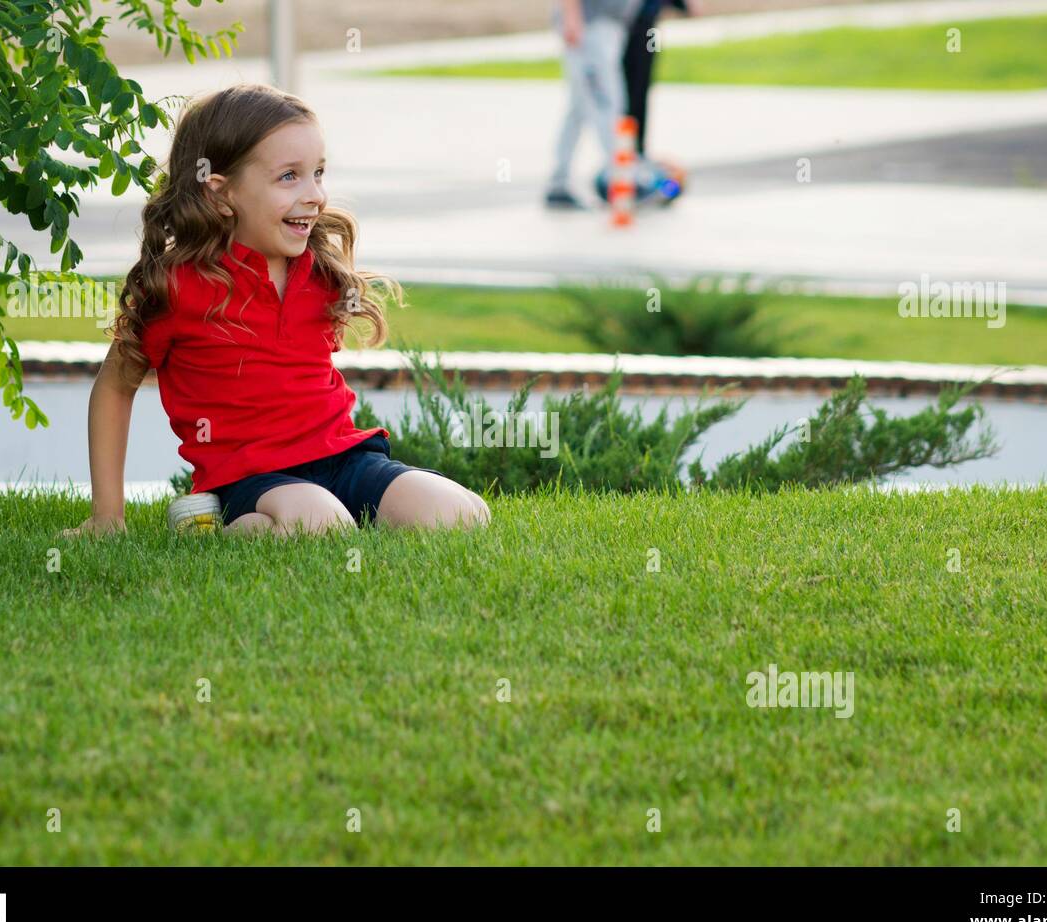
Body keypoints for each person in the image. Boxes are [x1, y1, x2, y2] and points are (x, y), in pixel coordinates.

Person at [64, 85, 490, 537]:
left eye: (318, 173)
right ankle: (217, 527)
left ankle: (326, 518)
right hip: (252, 478)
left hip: (345, 459)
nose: (315, 195)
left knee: (464, 515)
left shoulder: (320, 271)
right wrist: (106, 517)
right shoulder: (180, 285)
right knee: (324, 527)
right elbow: (114, 388)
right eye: (289, 176)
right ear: (221, 194)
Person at [545, 0, 641, 210]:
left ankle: (558, 182)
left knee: (580, 107)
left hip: (606, 25)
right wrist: (571, 18)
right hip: (589, 26)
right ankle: (623, 178)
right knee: (606, 104)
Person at [622, 0, 699, 158]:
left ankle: (637, 149)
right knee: (632, 91)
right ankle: (630, 150)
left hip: (650, 27)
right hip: (634, 24)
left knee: (642, 85)